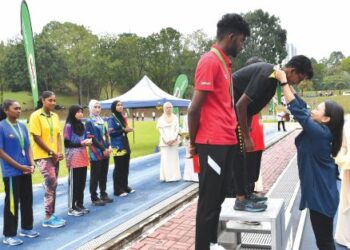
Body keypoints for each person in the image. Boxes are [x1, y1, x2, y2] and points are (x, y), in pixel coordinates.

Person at [188, 13, 255, 250]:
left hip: (225, 141)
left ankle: (212, 242)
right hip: (211, 143)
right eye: (242, 41)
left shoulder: (224, 63)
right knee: (208, 202)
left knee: (218, 199)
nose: (242, 45)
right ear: (231, 36)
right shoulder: (209, 61)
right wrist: (194, 143)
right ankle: (203, 246)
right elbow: (193, 109)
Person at [279, 71, 344, 250]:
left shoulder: (320, 134)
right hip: (323, 194)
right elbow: (301, 105)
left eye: (318, 109)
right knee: (323, 240)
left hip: (322, 198)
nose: (313, 110)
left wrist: (284, 83)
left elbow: (299, 112)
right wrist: (287, 83)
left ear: (326, 118)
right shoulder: (321, 130)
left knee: (324, 242)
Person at [233, 55, 314, 151]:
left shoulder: (273, 81)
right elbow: (241, 105)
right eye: (299, 79)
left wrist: (247, 131)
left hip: (234, 119)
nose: (297, 83)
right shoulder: (267, 74)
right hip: (224, 114)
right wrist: (246, 138)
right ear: (292, 71)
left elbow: (250, 109)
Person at [0, 100, 39, 246]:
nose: (19, 111)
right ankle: (9, 234)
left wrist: (32, 164)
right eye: (15, 108)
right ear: (6, 110)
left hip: (25, 170)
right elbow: (1, 152)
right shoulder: (1, 127)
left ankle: (27, 228)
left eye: (20, 108)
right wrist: (20, 167)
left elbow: (28, 146)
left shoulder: (22, 126)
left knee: (27, 199)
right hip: (11, 172)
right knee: (12, 203)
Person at [29, 91, 66, 228]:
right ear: (43, 100)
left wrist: (59, 152)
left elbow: (57, 135)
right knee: (51, 182)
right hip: (42, 155)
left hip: (54, 155)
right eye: (50, 100)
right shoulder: (35, 116)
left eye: (54, 100)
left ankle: (52, 213)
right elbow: (36, 138)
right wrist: (51, 152)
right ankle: (47, 217)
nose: (53, 103)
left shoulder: (55, 116)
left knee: (54, 184)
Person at [64, 105, 92, 216]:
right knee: (74, 184)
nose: (81, 114)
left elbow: (85, 138)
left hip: (83, 157)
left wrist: (88, 141)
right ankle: (71, 207)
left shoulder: (82, 125)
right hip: (73, 159)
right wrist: (82, 143)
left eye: (82, 111)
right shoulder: (68, 126)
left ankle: (80, 204)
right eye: (78, 112)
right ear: (73, 113)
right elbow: (67, 143)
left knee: (81, 183)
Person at [85, 100, 113, 206]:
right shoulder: (89, 121)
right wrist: (103, 149)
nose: (97, 109)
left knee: (104, 174)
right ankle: (94, 197)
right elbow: (92, 139)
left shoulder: (101, 120)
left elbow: (106, 134)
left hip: (105, 151)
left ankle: (103, 194)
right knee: (95, 176)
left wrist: (109, 146)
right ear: (90, 108)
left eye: (99, 107)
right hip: (95, 152)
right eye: (95, 107)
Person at [108, 100, 135, 197]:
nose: (120, 107)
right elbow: (111, 133)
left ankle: (125, 186)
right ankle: (118, 189)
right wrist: (123, 130)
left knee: (125, 167)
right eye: (118, 105)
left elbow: (122, 131)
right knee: (119, 168)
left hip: (125, 144)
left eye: (121, 105)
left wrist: (127, 130)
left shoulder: (122, 118)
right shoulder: (112, 118)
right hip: (117, 146)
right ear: (114, 107)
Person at [334, 118, 350, 248]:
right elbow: (343, 147)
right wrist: (342, 160)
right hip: (349, 172)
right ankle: (346, 237)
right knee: (347, 206)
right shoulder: (348, 125)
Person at [157, 102, 181, 182]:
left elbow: (177, 129)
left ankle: (175, 176)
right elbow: (161, 131)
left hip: (174, 142)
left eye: (170, 107)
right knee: (166, 159)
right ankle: (167, 177)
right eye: (167, 107)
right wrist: (166, 140)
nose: (169, 109)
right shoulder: (160, 119)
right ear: (164, 108)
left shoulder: (175, 118)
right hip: (165, 142)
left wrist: (173, 138)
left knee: (174, 159)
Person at [181, 105, 198, 182]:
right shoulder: (185, 118)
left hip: (196, 138)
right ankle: (188, 175)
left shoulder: (198, 116)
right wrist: (185, 135)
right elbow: (184, 128)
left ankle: (196, 175)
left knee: (196, 157)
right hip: (187, 139)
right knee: (188, 156)